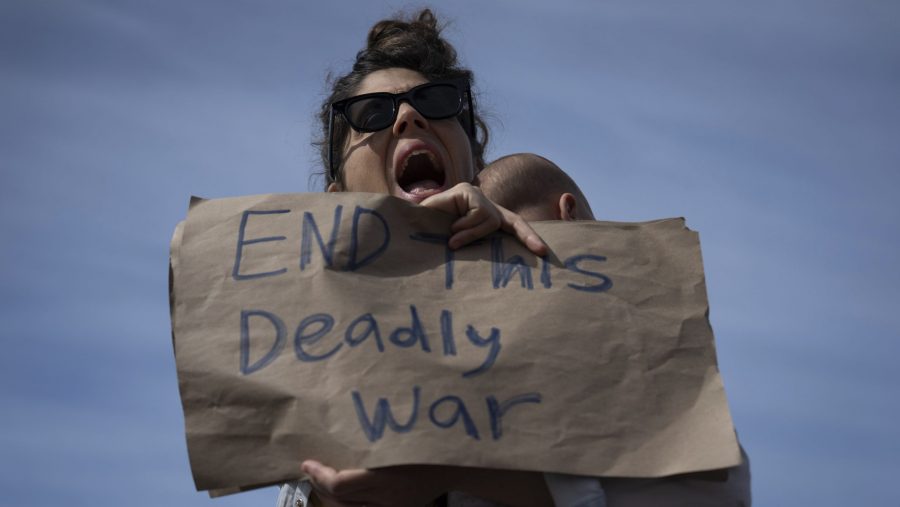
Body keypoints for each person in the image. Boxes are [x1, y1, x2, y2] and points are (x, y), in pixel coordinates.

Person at [282, 8, 554, 507]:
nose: (409, 116)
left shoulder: (563, 278)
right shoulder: (308, 353)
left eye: (435, 101)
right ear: (337, 199)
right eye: (371, 114)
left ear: (476, 164)